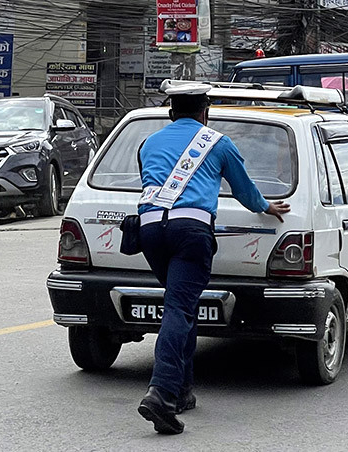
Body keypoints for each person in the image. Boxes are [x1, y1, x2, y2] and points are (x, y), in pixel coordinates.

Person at [135, 84, 289, 435]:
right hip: (190, 231)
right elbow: (245, 191)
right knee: (179, 308)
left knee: (180, 305)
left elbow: (149, 180)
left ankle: (182, 390)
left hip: (150, 231)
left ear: (170, 113)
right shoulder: (218, 143)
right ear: (206, 112)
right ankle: (161, 391)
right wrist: (267, 206)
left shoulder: (148, 143)